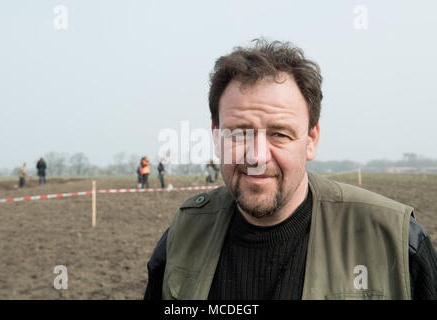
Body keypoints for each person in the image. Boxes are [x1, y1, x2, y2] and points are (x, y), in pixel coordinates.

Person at [144, 39, 436, 300]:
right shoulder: (182, 236)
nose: (257, 155)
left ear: (311, 140)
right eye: (239, 133)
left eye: (279, 134)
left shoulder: (397, 243)